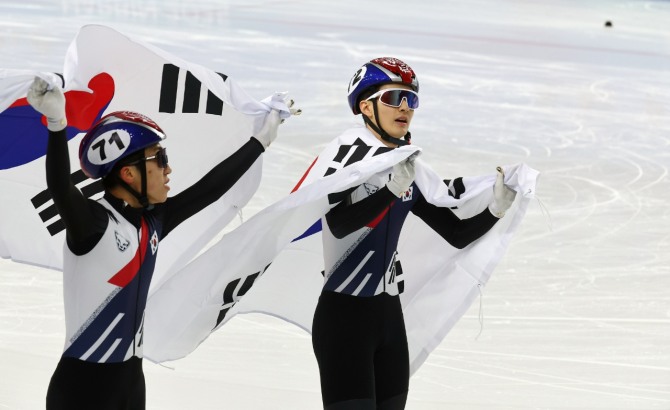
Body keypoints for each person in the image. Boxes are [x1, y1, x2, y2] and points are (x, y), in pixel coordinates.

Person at [26, 76, 296, 409]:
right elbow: (60, 189)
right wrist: (56, 125)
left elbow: (210, 188)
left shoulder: (152, 221)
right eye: (159, 159)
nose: (168, 169)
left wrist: (261, 141)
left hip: (130, 384)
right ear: (128, 173)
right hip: (83, 388)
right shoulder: (93, 223)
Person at [310, 57, 516, 409]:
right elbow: (338, 223)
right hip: (344, 320)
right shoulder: (346, 161)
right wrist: (389, 192)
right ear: (366, 106)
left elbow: (455, 233)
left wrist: (496, 208)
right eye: (393, 98)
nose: (405, 107)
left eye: (411, 99)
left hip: (388, 319)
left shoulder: (407, 168)